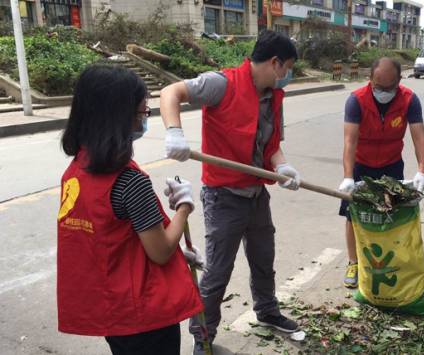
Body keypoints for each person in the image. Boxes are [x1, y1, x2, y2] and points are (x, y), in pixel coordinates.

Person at [159, 30, 301, 354]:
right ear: (275, 62)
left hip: (256, 195)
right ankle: (202, 338)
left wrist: (282, 167)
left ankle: (267, 311)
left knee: (264, 259)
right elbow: (170, 92)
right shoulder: (222, 84)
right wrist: (174, 133)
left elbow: (271, 144)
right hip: (224, 197)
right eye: (288, 67)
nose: (288, 75)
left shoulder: (273, 97)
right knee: (217, 273)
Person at [57, 65, 203, 355]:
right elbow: (160, 251)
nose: (143, 121)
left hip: (114, 310)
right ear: (118, 118)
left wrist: (178, 253)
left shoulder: (76, 171)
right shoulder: (129, 182)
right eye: (142, 113)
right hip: (145, 317)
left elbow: (109, 240)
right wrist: (184, 207)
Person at [338, 57, 424, 288]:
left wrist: (422, 171)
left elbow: (419, 137)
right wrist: (349, 176)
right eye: (378, 87)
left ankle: (389, 261)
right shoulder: (356, 100)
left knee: (391, 213)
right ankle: (354, 262)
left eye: (390, 87)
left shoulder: (409, 100)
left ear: (399, 80)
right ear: (370, 80)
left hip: (391, 166)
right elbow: (350, 141)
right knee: (353, 214)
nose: (384, 92)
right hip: (361, 165)